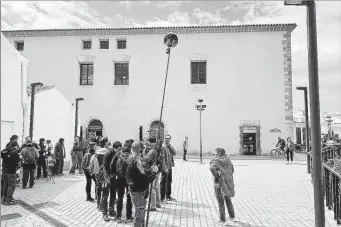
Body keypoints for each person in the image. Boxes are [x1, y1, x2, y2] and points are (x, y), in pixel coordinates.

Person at [126, 141, 158, 227]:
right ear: (139, 151)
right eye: (142, 150)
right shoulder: (135, 162)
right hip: (138, 192)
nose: (143, 152)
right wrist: (154, 173)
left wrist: (150, 170)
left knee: (141, 215)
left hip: (138, 191)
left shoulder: (136, 160)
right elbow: (144, 180)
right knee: (139, 216)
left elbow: (142, 173)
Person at [210, 148, 236, 225]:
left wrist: (217, 176)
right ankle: (232, 216)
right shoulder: (228, 160)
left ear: (219, 154)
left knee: (220, 201)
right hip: (228, 182)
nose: (215, 155)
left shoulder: (216, 161)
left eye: (215, 153)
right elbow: (232, 170)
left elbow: (212, 168)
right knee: (228, 199)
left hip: (220, 182)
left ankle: (222, 220)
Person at [111, 144, 133, 223]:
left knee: (120, 198)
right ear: (130, 152)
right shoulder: (131, 159)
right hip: (129, 181)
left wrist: (116, 174)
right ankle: (129, 216)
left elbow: (113, 166)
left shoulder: (118, 158)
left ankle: (118, 216)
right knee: (129, 198)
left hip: (120, 179)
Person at [142, 140, 167, 211]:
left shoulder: (152, 151)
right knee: (156, 187)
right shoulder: (160, 149)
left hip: (152, 170)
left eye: (147, 144)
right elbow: (163, 160)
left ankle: (152, 205)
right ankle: (158, 203)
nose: (146, 146)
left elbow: (146, 159)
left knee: (152, 188)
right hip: (157, 170)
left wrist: (141, 156)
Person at [89, 138, 110, 221]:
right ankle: (104, 210)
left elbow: (92, 163)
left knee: (98, 188)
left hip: (98, 174)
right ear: (105, 143)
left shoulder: (96, 152)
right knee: (105, 192)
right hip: (105, 175)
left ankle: (98, 205)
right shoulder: (106, 152)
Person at [102, 141, 122, 218]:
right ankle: (104, 213)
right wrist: (109, 175)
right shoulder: (108, 154)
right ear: (114, 148)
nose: (120, 150)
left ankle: (111, 210)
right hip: (106, 177)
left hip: (114, 178)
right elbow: (105, 166)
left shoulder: (118, 155)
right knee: (105, 195)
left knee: (113, 195)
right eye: (119, 149)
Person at [1, 141, 20, 205]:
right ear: (15, 146)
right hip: (11, 172)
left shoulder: (5, 151)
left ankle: (4, 198)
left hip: (4, 171)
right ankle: (9, 200)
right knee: (12, 185)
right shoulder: (14, 152)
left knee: (6, 185)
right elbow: (18, 163)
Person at [160, 135, 177, 202]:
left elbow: (175, 153)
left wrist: (170, 146)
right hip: (165, 167)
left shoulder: (168, 147)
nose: (167, 140)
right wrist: (164, 167)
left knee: (169, 181)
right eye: (166, 139)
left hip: (169, 166)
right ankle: (162, 198)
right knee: (163, 182)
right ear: (164, 139)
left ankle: (168, 196)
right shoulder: (163, 147)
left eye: (168, 139)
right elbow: (162, 159)